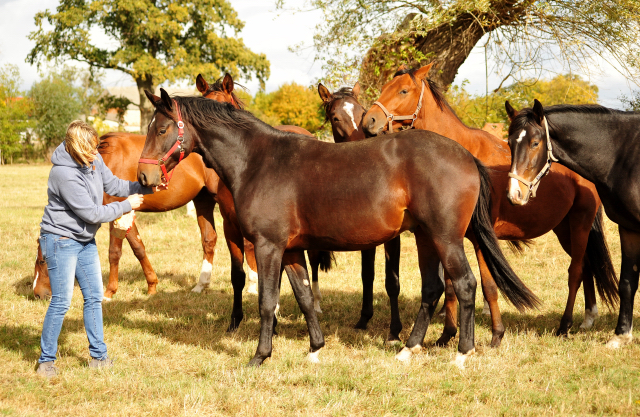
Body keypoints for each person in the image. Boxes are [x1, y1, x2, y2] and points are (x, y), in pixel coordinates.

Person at [36, 121, 157, 378]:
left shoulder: (92, 159)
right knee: (61, 301)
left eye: (95, 148)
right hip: (60, 239)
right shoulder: (63, 174)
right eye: (90, 150)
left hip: (84, 240)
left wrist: (146, 188)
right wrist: (127, 206)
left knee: (93, 297)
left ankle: (99, 357)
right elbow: (92, 214)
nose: (96, 154)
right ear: (77, 147)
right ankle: (46, 361)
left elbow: (114, 186)